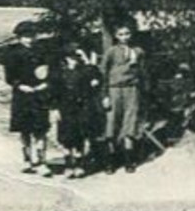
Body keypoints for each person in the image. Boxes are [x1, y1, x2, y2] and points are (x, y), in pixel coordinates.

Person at [0, 20, 51, 174]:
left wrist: (45, 84)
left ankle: (42, 161)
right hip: (22, 94)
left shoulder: (43, 51)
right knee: (24, 129)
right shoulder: (13, 53)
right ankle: (27, 160)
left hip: (40, 94)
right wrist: (19, 85)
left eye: (32, 36)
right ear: (19, 37)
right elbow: (10, 76)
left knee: (41, 129)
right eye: (26, 36)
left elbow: (50, 71)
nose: (29, 39)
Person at [101, 21, 148, 172]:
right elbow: (103, 74)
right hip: (114, 89)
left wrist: (143, 90)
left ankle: (129, 160)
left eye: (127, 34)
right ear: (116, 36)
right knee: (112, 122)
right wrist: (105, 95)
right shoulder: (111, 52)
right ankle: (110, 161)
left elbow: (143, 73)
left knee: (130, 122)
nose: (125, 37)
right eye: (121, 34)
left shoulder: (138, 51)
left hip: (131, 90)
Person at [53, 43, 104, 178]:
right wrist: (55, 109)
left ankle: (80, 165)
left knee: (80, 135)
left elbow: (96, 78)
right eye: (70, 57)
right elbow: (54, 93)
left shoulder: (85, 71)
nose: (73, 60)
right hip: (65, 108)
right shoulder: (59, 73)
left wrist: (88, 61)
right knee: (66, 137)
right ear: (65, 58)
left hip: (81, 108)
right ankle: (69, 165)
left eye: (76, 58)